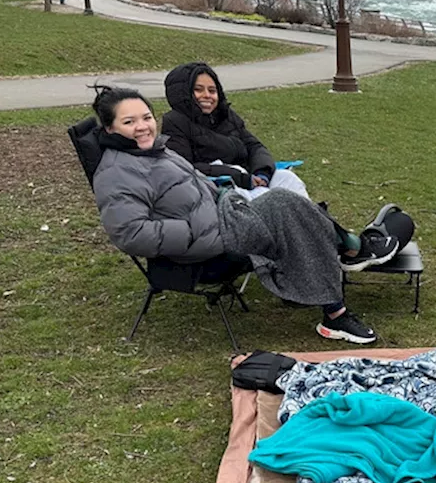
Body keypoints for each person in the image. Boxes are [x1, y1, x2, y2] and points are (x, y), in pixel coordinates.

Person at [83, 86, 400, 343]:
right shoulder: (116, 173)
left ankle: (347, 254)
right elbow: (130, 234)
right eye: (129, 122)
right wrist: (193, 232)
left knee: (286, 202)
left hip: (222, 214)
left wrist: (224, 194)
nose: (142, 126)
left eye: (146, 117)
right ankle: (344, 277)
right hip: (206, 243)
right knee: (284, 207)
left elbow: (196, 182)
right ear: (110, 128)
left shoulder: (156, 151)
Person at [160, 61, 311, 200]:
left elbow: (254, 146)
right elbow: (184, 167)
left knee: (288, 178)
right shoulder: (175, 121)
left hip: (249, 176)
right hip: (218, 186)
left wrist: (262, 173)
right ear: (184, 94)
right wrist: (239, 177)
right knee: (267, 198)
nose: (207, 95)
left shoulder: (227, 115)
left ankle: (316, 223)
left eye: (212, 90)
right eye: (198, 90)